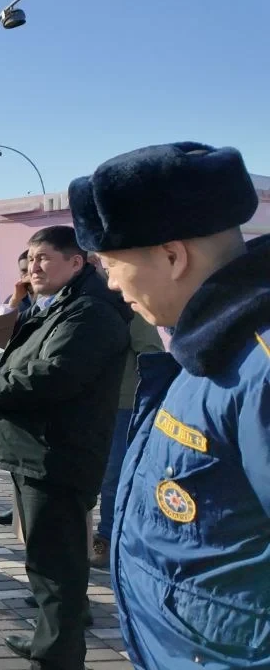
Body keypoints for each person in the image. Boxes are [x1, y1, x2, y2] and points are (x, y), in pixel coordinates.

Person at [68, 141, 269, 669]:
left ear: (173, 256)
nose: (112, 283)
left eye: (112, 264)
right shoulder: (204, 344)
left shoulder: (258, 367)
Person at [0, 225, 131, 669]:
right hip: (37, 450)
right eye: (31, 258)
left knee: (58, 568)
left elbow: (52, 375)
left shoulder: (90, 312)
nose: (34, 267)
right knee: (43, 560)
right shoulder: (56, 305)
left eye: (44, 258)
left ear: (76, 262)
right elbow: (11, 359)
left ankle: (57, 655)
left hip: (58, 454)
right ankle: (48, 640)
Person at [86, 255, 163, 570]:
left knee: (113, 475)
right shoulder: (76, 305)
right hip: (83, 405)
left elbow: (151, 352)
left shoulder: (127, 306)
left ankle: (109, 538)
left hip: (121, 406)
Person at [0, 250, 37, 528]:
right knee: (16, 457)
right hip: (13, 385)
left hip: (33, 387)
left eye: (34, 267)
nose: (29, 274)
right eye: (24, 270)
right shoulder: (19, 300)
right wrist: (16, 299)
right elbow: (0, 337)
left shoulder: (60, 300)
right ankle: (17, 508)